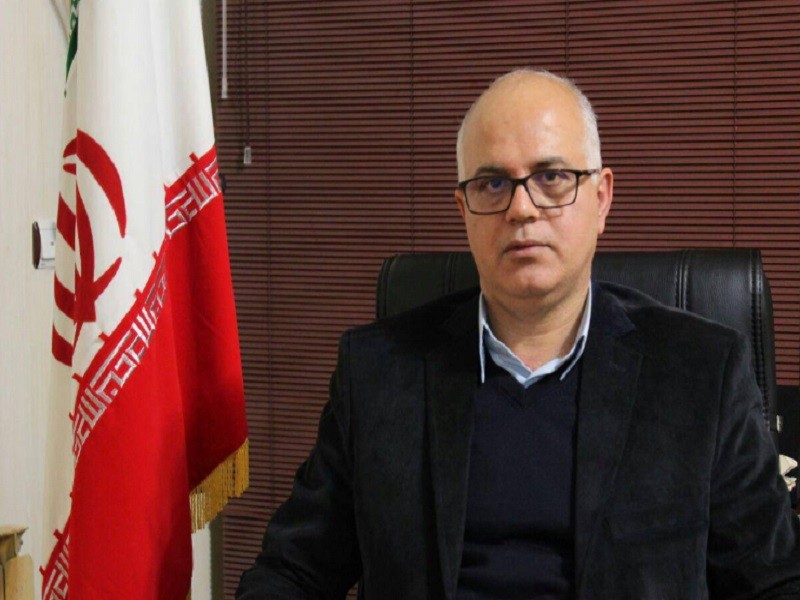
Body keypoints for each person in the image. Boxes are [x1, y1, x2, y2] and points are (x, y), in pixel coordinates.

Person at [238, 69, 800, 599]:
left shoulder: (701, 372)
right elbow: (292, 573)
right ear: (464, 210)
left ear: (601, 198)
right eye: (492, 184)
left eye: (552, 178)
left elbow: (772, 584)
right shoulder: (377, 372)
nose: (522, 209)